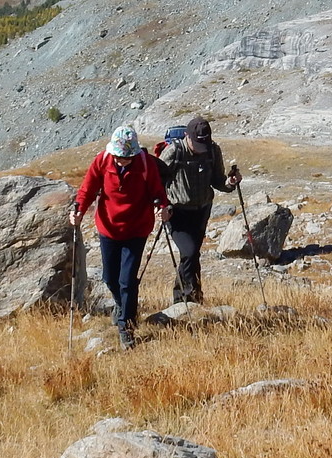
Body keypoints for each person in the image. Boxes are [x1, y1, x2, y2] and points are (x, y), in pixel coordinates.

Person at [72, 124, 170, 348]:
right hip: (108, 228)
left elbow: (158, 192)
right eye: (118, 157)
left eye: (125, 158)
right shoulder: (103, 160)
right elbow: (87, 189)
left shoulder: (145, 164)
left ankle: (126, 325)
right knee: (109, 278)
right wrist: (78, 209)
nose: (120, 161)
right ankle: (121, 304)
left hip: (137, 229)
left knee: (127, 280)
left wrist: (163, 207)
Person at [157, 115, 241, 303]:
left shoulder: (212, 150)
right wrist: (161, 206)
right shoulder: (174, 152)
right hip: (176, 212)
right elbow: (156, 181)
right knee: (189, 252)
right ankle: (188, 297)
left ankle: (189, 296)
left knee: (192, 254)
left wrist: (230, 182)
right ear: (187, 136)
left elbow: (218, 180)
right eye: (197, 144)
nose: (200, 149)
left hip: (202, 210)